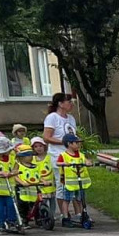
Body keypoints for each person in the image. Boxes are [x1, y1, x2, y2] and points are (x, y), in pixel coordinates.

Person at [42, 92, 77, 222]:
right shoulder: (52, 117)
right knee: (62, 184)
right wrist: (64, 142)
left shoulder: (71, 118)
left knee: (75, 184)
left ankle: (78, 213)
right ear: (60, 104)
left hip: (72, 155)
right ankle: (64, 214)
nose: (71, 104)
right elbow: (47, 137)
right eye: (69, 102)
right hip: (58, 155)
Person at [59, 133, 93, 227]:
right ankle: (65, 217)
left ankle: (82, 215)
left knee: (80, 199)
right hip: (69, 183)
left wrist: (88, 162)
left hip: (80, 182)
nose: (79, 145)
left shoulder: (81, 155)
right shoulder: (64, 155)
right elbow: (58, 163)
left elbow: (86, 160)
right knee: (66, 200)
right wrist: (64, 163)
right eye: (76, 143)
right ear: (69, 144)